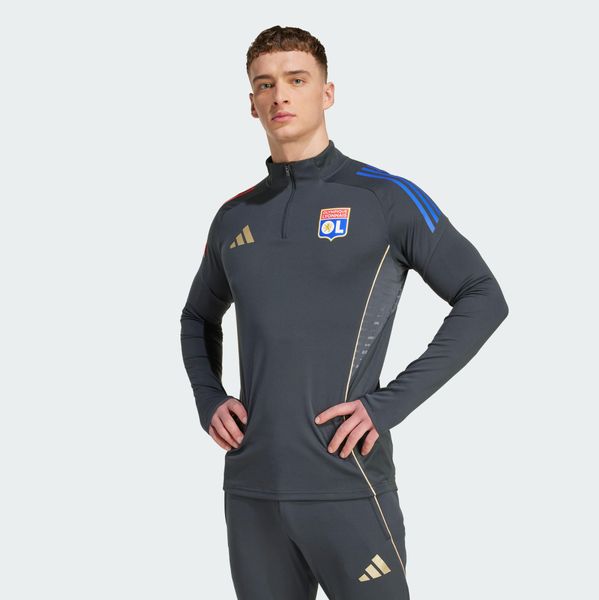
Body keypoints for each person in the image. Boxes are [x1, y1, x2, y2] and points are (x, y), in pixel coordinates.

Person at [180, 25, 509, 600]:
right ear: (252, 103)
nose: (280, 95)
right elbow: (196, 319)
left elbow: (482, 295)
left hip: (347, 482)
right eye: (265, 84)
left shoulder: (384, 197)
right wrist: (209, 398)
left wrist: (388, 405)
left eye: (296, 80)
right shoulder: (234, 216)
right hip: (252, 489)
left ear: (326, 93)